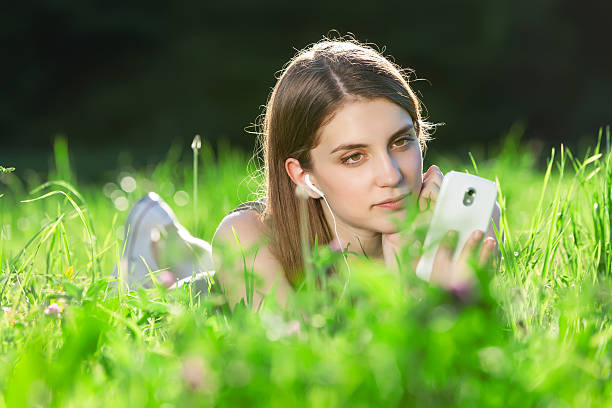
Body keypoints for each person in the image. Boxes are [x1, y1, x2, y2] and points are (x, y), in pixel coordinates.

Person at [114, 37, 500, 308]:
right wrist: (405, 283)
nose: (391, 175)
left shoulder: (459, 223)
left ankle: (180, 246)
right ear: (304, 176)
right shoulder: (246, 239)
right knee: (167, 285)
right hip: (200, 298)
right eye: (354, 157)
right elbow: (307, 373)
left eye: (400, 142)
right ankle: (156, 237)